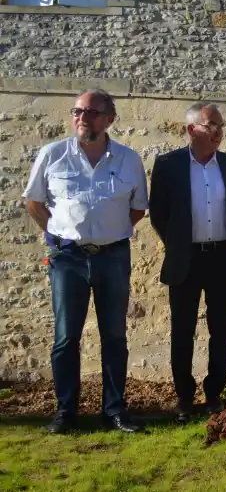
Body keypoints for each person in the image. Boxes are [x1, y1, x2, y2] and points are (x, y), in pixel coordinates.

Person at [22, 89, 147, 434]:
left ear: (109, 119)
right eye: (77, 111)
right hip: (67, 259)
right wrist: (60, 236)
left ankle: (114, 410)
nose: (82, 118)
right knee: (66, 338)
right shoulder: (53, 154)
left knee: (115, 336)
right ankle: (66, 411)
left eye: (91, 112)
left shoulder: (128, 160)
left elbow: (138, 208)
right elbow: (34, 203)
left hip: (113, 257)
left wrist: (108, 234)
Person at [149, 102, 226, 423]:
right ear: (192, 129)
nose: (218, 132)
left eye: (221, 126)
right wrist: (178, 243)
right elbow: (158, 214)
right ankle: (184, 396)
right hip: (185, 258)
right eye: (211, 125)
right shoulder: (168, 165)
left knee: (221, 330)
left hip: (222, 257)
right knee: (183, 330)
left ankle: (214, 393)